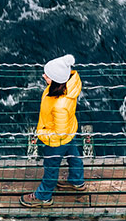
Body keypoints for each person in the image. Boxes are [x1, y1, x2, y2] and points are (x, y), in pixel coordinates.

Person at [22, 54, 84, 206]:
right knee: (74, 156)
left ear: (56, 81)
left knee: (51, 168)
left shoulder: (60, 105)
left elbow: (60, 133)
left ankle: (43, 196)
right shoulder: (69, 86)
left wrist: (42, 134)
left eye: (47, 76)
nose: (44, 76)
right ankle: (77, 181)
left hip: (57, 141)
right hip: (70, 130)